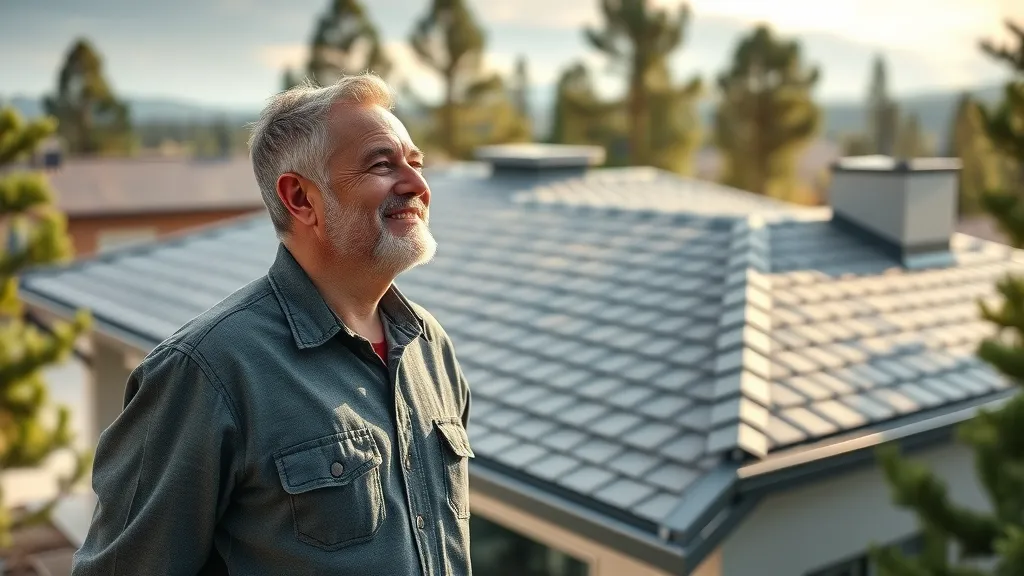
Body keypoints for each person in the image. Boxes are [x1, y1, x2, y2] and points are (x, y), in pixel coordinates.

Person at [71, 73, 474, 576]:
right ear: (301, 199)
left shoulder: (430, 347)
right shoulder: (206, 371)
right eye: (382, 165)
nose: (417, 184)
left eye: (415, 163)